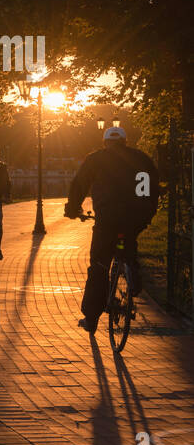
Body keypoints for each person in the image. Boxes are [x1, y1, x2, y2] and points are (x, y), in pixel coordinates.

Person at [64, 126, 161, 334]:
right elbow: (151, 190)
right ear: (125, 141)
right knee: (127, 244)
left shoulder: (96, 159)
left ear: (105, 142)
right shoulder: (141, 159)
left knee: (98, 266)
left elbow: (79, 184)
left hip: (107, 219)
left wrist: (72, 209)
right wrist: (146, 216)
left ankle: (91, 318)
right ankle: (132, 271)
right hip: (134, 218)